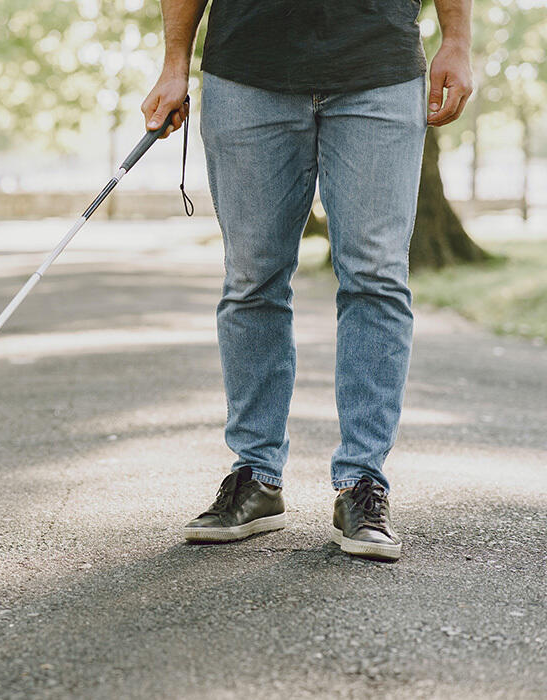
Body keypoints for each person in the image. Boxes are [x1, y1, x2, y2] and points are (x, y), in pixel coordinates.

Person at [142, 0, 472, 561]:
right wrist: (175, 61)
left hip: (379, 68)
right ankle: (255, 477)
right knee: (252, 281)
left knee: (376, 278)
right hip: (246, 71)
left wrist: (458, 40)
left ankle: (362, 484)